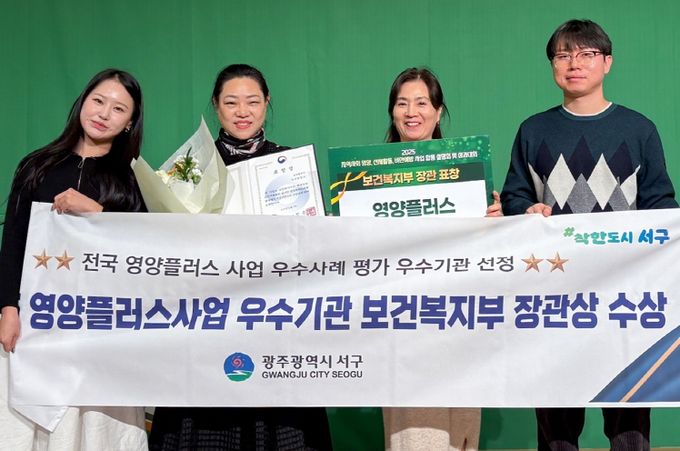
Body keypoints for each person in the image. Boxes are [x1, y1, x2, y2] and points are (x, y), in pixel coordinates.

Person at [500, 19, 677, 451]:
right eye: (563, 55)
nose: (574, 63)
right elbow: (515, 194)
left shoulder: (638, 129)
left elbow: (661, 204)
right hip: (554, 298)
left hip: (624, 299)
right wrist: (526, 209)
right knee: (557, 428)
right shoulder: (533, 131)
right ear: (552, 66)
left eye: (586, 54)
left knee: (629, 425)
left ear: (607, 62)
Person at [148, 64, 333, 451]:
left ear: (267, 103)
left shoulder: (290, 165)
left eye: (252, 101)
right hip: (209, 318)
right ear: (216, 106)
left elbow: (312, 245)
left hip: (275, 318)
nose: (242, 111)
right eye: (231, 102)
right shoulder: (188, 168)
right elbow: (165, 243)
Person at [0, 68, 148, 450]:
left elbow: (146, 252)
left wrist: (97, 212)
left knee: (95, 431)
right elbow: (13, 238)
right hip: (37, 321)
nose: (104, 113)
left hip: (101, 327)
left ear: (129, 122)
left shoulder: (133, 179)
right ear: (83, 102)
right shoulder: (37, 165)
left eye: (118, 109)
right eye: (98, 101)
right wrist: (9, 308)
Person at [382, 67, 500, 451]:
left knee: (462, 430)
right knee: (415, 434)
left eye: (421, 103)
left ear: (438, 111)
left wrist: (494, 223)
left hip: (459, 318)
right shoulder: (365, 177)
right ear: (392, 112)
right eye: (402, 103)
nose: (411, 112)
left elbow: (488, 255)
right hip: (403, 323)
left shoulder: (467, 173)